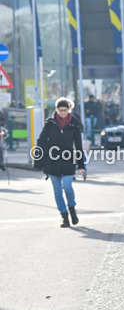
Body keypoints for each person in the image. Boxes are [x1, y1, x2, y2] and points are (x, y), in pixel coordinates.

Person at [34, 97, 86, 227]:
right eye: (60, 110)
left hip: (68, 160)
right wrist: (39, 160)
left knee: (67, 186)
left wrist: (81, 165)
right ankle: (64, 217)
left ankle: (72, 210)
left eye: (65, 110)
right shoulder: (50, 123)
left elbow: (79, 145)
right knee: (57, 191)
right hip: (52, 161)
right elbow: (41, 140)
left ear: (69, 109)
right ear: (56, 110)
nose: (63, 113)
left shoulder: (74, 124)